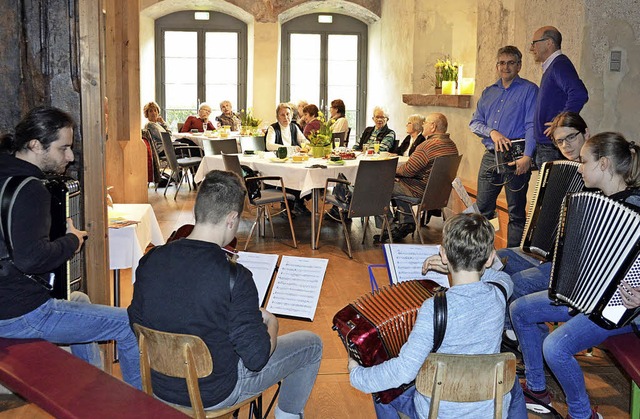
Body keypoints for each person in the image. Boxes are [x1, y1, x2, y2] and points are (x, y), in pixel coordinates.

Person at [128, 170, 323, 417]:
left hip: (160, 386)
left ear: (199, 211)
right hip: (214, 393)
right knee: (311, 344)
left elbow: (135, 321)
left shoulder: (151, 260)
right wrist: (271, 324)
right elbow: (256, 359)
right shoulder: (234, 277)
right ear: (231, 219)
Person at [0, 106, 141, 389]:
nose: (70, 156)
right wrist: (72, 241)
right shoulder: (30, 189)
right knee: (129, 323)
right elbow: (31, 259)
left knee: (79, 299)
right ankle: (136, 407)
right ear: (35, 145)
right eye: (63, 148)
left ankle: (93, 392)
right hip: (19, 315)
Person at [511, 132, 640, 419]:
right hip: (584, 297)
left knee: (555, 347)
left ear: (604, 164)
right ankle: (537, 388)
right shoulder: (592, 202)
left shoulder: (636, 206)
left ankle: (583, 414)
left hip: (621, 309)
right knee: (520, 308)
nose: (579, 167)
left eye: (584, 161)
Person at [350, 213, 517, 418]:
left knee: (381, 391)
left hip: (440, 412)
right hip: (490, 409)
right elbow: (504, 278)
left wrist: (357, 375)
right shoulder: (498, 295)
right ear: (490, 257)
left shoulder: (435, 308)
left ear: (443, 254)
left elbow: (403, 371)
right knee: (513, 384)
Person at [496, 112, 590, 339]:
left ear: (586, 134)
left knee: (517, 282)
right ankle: (515, 332)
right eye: (559, 141)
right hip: (545, 254)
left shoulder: (597, 173)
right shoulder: (556, 169)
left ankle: (522, 336)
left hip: (572, 266)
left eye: (571, 137)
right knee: (498, 260)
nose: (565, 145)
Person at [470, 46, 538, 247]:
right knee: (483, 210)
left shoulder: (529, 90)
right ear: (497, 65)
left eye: (510, 62)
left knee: (516, 211)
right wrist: (492, 132)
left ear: (519, 65)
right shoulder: (488, 92)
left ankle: (513, 258)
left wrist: (527, 156)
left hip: (515, 157)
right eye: (502, 62)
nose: (505, 67)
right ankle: (483, 256)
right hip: (491, 155)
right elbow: (475, 122)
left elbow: (531, 125)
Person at [374, 113, 458, 243]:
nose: (423, 125)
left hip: (418, 190)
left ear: (433, 126)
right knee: (396, 182)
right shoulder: (452, 146)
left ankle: (390, 227)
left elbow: (408, 170)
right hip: (438, 194)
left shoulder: (427, 146)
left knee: (378, 185)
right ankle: (406, 222)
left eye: (425, 123)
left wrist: (391, 171)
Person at [529, 26, 589, 167]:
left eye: (534, 43)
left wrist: (560, 122)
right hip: (547, 145)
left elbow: (579, 93)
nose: (532, 48)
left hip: (552, 146)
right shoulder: (553, 66)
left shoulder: (559, 65)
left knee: (553, 188)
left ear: (549, 42)